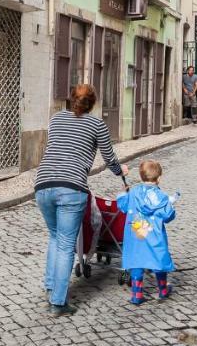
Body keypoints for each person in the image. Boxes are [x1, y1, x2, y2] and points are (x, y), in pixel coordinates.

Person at [35, 84, 128, 316]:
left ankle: (50, 285)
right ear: (93, 103)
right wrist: (121, 171)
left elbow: (57, 147)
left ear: (70, 98)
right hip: (71, 187)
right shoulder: (97, 125)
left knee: (55, 237)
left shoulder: (56, 119)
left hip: (43, 184)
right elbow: (109, 157)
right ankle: (58, 302)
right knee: (66, 244)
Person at [118, 159, 178, 305]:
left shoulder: (133, 192)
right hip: (154, 235)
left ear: (141, 176)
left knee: (137, 260)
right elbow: (168, 216)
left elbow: (123, 207)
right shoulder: (162, 197)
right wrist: (171, 205)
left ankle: (137, 294)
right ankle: (163, 290)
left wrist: (123, 194)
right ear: (159, 178)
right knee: (158, 259)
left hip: (137, 232)